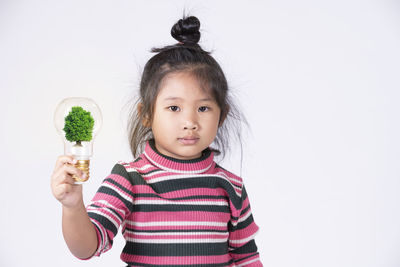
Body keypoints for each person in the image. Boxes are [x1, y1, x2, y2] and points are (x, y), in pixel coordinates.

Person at [51, 15, 262, 267]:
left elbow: (247, 258)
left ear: (222, 115)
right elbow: (87, 246)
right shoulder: (129, 178)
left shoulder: (231, 187)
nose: (190, 122)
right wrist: (73, 206)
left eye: (203, 109)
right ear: (147, 115)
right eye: (174, 108)